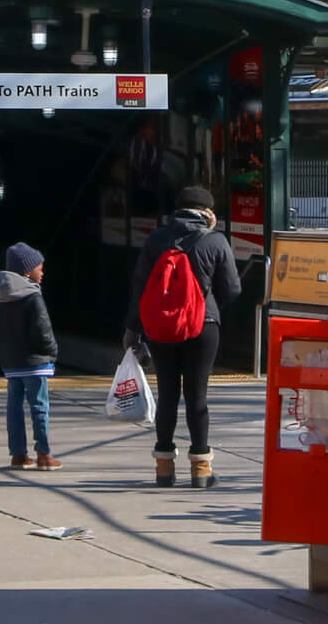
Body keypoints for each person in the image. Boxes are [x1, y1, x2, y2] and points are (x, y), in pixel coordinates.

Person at [123, 186, 242, 488]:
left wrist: (133, 328)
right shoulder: (215, 240)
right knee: (197, 397)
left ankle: (164, 468)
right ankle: (201, 469)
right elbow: (232, 288)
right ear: (207, 213)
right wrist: (207, 305)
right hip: (203, 326)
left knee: (167, 394)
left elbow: (140, 287)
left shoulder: (156, 240)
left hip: (162, 328)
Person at [0, 241, 60, 471]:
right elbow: (43, 329)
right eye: (40, 267)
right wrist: (52, 351)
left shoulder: (1, 296)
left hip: (12, 362)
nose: (43, 272)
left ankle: (18, 454)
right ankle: (44, 453)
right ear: (28, 271)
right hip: (35, 361)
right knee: (39, 405)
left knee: (14, 407)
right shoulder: (33, 296)